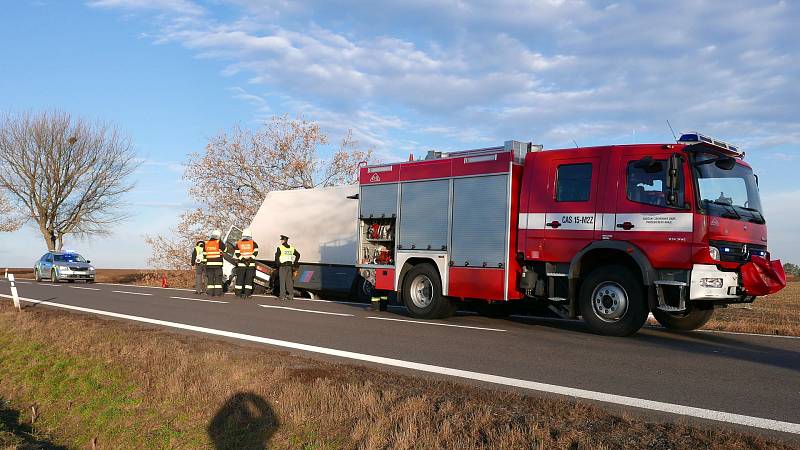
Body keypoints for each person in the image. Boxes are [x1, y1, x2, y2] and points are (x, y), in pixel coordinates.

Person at [234, 227, 259, 298]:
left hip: (241, 264)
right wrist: (249, 260)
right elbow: (255, 253)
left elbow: (237, 253)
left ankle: (238, 294)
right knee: (249, 279)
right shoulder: (254, 244)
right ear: (250, 236)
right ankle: (247, 294)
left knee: (240, 279)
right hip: (250, 265)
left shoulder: (238, 243)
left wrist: (244, 260)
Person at [274, 234, 299, 301]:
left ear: (283, 240)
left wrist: (278, 264)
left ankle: (282, 296)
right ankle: (291, 295)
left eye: (281, 240)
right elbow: (298, 255)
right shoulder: (291, 248)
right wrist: (295, 262)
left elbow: (276, 257)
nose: (281, 241)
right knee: (289, 281)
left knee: (282, 281)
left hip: (283, 266)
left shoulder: (280, 248)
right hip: (289, 266)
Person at [204, 229, 226, 297]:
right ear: (218, 236)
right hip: (217, 265)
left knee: (210, 279)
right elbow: (225, 249)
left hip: (209, 265)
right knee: (218, 279)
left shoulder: (206, 243)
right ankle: (217, 293)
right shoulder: (218, 242)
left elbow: (204, 254)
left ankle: (210, 293)